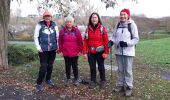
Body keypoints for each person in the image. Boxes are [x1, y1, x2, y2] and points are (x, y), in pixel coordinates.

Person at [109, 8, 139, 96]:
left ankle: (129, 87)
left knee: (128, 70)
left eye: (124, 14)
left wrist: (126, 44)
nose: (122, 16)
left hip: (129, 52)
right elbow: (114, 36)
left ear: (128, 15)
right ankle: (120, 85)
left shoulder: (132, 25)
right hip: (118, 51)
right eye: (121, 14)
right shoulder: (118, 24)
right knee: (120, 70)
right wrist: (111, 41)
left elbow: (136, 39)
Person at [34, 10, 59, 92]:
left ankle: (48, 79)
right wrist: (38, 47)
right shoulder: (39, 25)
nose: (47, 17)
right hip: (43, 49)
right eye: (46, 16)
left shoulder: (54, 25)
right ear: (44, 17)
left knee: (50, 65)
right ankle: (39, 83)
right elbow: (35, 37)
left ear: (51, 17)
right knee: (43, 67)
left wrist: (58, 47)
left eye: (49, 16)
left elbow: (57, 37)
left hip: (52, 49)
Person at [83, 12, 109, 89]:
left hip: (100, 52)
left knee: (101, 67)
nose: (94, 19)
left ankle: (103, 80)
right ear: (90, 19)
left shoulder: (102, 28)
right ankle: (93, 81)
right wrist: (84, 52)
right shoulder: (88, 29)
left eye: (95, 17)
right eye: (92, 17)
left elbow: (106, 41)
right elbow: (85, 41)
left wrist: (106, 52)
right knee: (92, 67)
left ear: (98, 19)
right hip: (91, 52)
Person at [58, 16, 83, 87]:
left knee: (75, 66)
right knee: (67, 66)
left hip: (75, 53)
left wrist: (80, 50)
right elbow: (60, 41)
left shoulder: (77, 31)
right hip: (66, 52)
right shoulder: (62, 31)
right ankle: (68, 79)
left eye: (70, 22)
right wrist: (60, 51)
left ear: (73, 22)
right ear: (65, 23)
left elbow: (80, 41)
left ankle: (76, 79)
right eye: (67, 22)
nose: (69, 23)